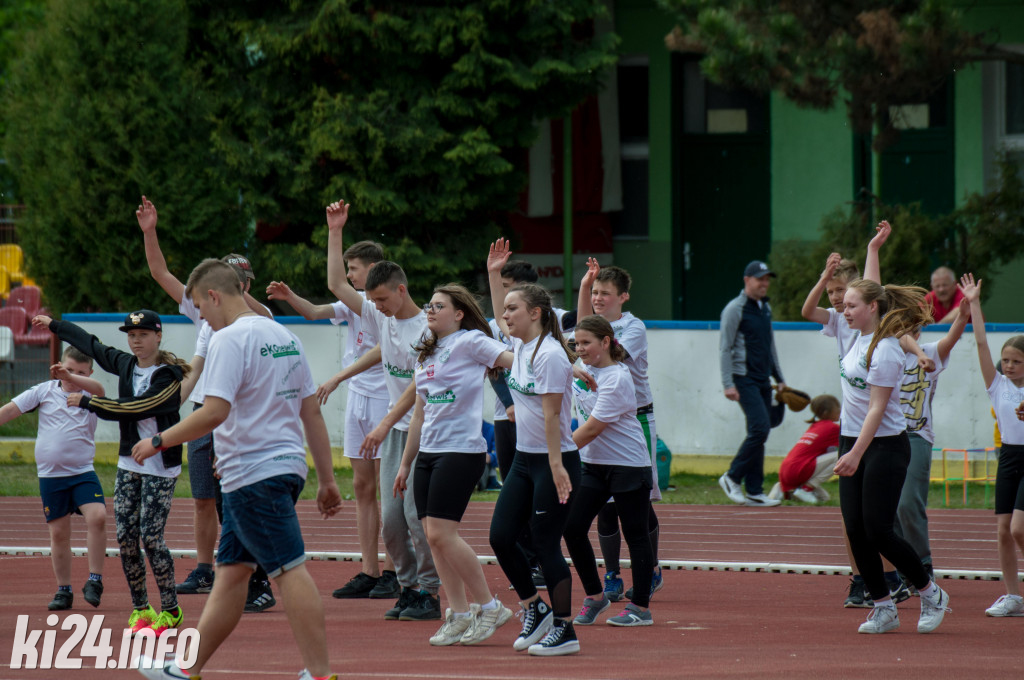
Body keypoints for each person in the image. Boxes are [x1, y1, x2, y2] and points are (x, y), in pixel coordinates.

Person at [133, 258, 342, 680]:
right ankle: (185, 670)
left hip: (252, 474)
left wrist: (159, 439)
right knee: (231, 575)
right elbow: (310, 414)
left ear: (214, 295)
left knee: (289, 569)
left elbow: (212, 413)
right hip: (283, 468)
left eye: (199, 307)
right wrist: (326, 478)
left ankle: (320, 674)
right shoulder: (284, 336)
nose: (202, 318)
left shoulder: (228, 340)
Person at [136, 196, 277, 613]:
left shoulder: (259, 316)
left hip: (235, 416)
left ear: (242, 285)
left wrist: (235, 287)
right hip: (203, 411)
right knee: (203, 497)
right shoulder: (205, 315)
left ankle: (261, 576)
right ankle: (204, 567)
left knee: (236, 498)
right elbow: (160, 272)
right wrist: (150, 232)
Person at [33, 310, 189, 637]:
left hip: (160, 467)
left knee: (150, 536)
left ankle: (171, 609)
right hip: (129, 463)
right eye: (132, 335)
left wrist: (91, 404)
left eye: (144, 335)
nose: (137, 341)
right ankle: (141, 609)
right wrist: (54, 326)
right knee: (126, 538)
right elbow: (91, 344)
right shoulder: (126, 364)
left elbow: (140, 406)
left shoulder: (168, 376)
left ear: (158, 336)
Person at [326, 200, 441, 621]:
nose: (376, 307)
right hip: (394, 430)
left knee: (414, 515)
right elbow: (339, 285)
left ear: (402, 290)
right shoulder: (382, 314)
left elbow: (420, 385)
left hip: (421, 429)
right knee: (391, 519)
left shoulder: (428, 328)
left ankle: (429, 591)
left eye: (381, 299)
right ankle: (408, 586)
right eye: (372, 301)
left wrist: (386, 420)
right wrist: (335, 230)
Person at [267, 242, 400, 602]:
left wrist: (339, 376)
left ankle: (393, 570)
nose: (349, 274)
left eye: (354, 268)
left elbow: (381, 350)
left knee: (386, 486)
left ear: (374, 269)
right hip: (358, 397)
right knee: (361, 485)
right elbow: (312, 311)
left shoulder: (382, 306)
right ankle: (370, 570)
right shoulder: (352, 306)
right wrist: (288, 295)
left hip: (383, 398)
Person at [392, 284, 516, 646]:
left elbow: (512, 361)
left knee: (442, 534)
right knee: (432, 538)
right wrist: (404, 465)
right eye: (429, 305)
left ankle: (490, 606)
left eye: (439, 306)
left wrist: (565, 367)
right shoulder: (426, 353)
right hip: (428, 453)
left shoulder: (469, 342)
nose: (429, 310)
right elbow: (418, 415)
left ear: (459, 313)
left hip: (461, 451)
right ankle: (460, 614)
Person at [832, 278, 950, 634]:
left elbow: (877, 409)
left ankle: (931, 593)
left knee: (878, 530)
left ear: (872, 309)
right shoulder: (857, 336)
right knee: (855, 529)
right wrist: (873, 247)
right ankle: (883, 606)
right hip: (853, 442)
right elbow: (872, 284)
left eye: (852, 306)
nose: (845, 310)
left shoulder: (884, 350)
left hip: (883, 445)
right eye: (845, 304)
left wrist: (855, 453)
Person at [486, 238, 582, 656]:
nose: (504, 315)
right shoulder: (520, 347)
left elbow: (551, 417)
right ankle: (534, 608)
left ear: (536, 314)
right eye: (505, 309)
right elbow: (495, 314)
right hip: (526, 460)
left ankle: (566, 630)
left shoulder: (550, 356)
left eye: (512, 310)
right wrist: (493, 274)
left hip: (553, 462)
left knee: (545, 544)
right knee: (501, 537)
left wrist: (558, 466)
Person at [575, 259, 663, 602]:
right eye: (595, 293)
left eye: (605, 294)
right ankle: (611, 574)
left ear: (623, 297)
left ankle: (650, 568)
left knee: (635, 503)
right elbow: (584, 331)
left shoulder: (632, 329)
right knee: (603, 505)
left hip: (634, 418)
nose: (598, 298)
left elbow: (607, 351)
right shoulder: (590, 337)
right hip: (595, 416)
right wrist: (584, 286)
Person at [564, 314, 656, 628]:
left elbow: (590, 430)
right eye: (577, 343)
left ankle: (641, 607)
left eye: (586, 343)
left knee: (635, 534)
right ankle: (594, 596)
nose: (580, 348)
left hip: (629, 465)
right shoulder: (580, 369)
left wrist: (552, 457)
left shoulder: (618, 378)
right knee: (573, 527)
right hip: (594, 466)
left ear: (606, 342)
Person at [0, 348, 106, 610]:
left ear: (89, 373)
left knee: (98, 517)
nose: (75, 377)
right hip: (52, 476)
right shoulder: (44, 391)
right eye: (69, 370)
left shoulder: (90, 394)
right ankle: (64, 590)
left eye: (82, 372)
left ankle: (95, 579)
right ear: (60, 367)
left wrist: (76, 380)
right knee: (59, 533)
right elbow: (9, 412)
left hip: (82, 472)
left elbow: (100, 388)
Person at [959, 274, 1024, 617]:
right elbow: (982, 344)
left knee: (1018, 528)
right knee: (1002, 531)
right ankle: (1013, 596)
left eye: (1016, 361)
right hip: (1009, 457)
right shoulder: (997, 385)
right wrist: (974, 304)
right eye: (1007, 360)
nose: (1009, 366)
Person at [896, 303, 970, 582]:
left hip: (916, 435)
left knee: (908, 503)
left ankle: (922, 563)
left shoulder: (928, 353)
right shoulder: (885, 354)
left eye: (911, 328)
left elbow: (950, 339)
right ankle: (900, 567)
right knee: (886, 507)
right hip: (885, 436)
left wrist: (963, 315)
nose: (906, 333)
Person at [718, 260, 786, 507]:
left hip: (763, 380)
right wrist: (728, 383)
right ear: (747, 280)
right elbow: (725, 348)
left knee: (760, 430)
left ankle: (755, 490)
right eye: (760, 279)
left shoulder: (763, 308)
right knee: (760, 429)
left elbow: (770, 346)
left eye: (767, 279)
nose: (764, 283)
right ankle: (732, 477)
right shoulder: (734, 309)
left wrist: (780, 379)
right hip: (743, 378)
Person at [769, 395, 840, 504]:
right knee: (841, 456)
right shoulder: (832, 428)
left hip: (786, 470)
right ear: (826, 412)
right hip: (799, 470)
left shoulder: (815, 426)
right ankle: (807, 489)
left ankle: (783, 489)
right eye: (838, 409)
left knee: (824, 498)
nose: (840, 411)